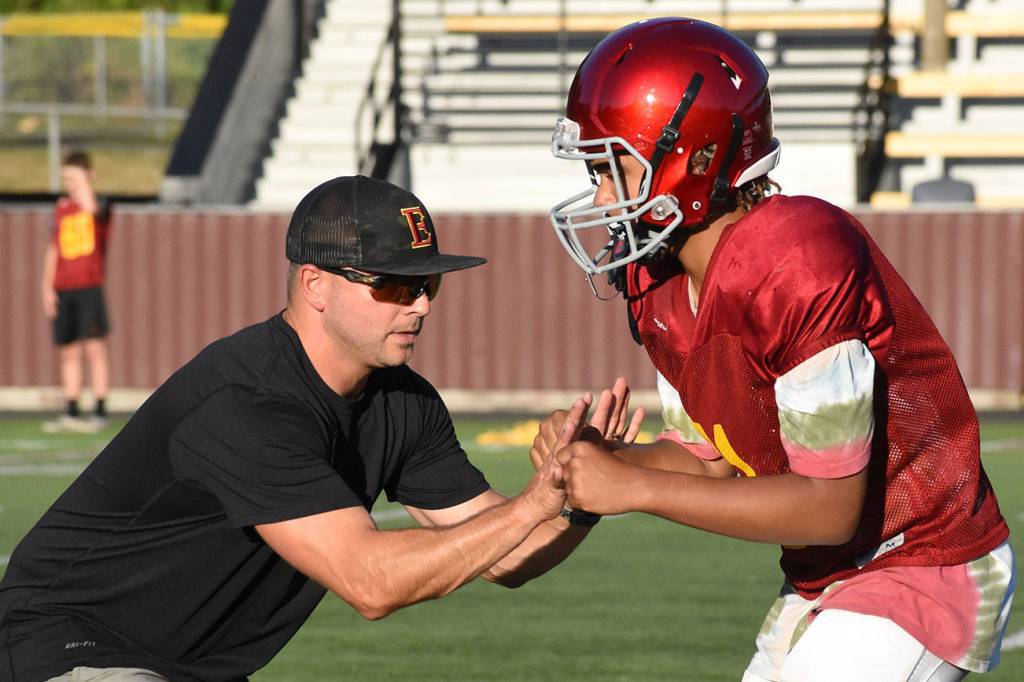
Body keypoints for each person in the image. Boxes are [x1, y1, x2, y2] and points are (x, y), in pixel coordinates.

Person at [542, 17, 1016, 682]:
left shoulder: (795, 259)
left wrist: (634, 488)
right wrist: (605, 461)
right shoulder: (657, 284)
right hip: (831, 574)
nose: (600, 197)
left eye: (615, 168)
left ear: (695, 159)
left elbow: (828, 506)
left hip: (924, 561)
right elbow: (708, 460)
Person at [0, 175, 623, 681]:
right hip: (74, 648)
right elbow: (369, 582)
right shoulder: (246, 401)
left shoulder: (402, 400)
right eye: (394, 283)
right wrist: (530, 505)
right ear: (315, 285)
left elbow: (504, 559)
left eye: (428, 282)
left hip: (188, 666)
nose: (422, 303)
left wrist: (577, 496)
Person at [40, 150, 113, 433]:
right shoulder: (62, 208)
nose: (69, 182)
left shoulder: (97, 205)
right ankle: (71, 410)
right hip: (65, 288)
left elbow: (92, 208)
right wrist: (46, 287)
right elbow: (53, 249)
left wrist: (84, 183)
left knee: (95, 349)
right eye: (66, 177)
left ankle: (99, 409)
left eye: (73, 177)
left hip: (89, 287)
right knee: (68, 351)